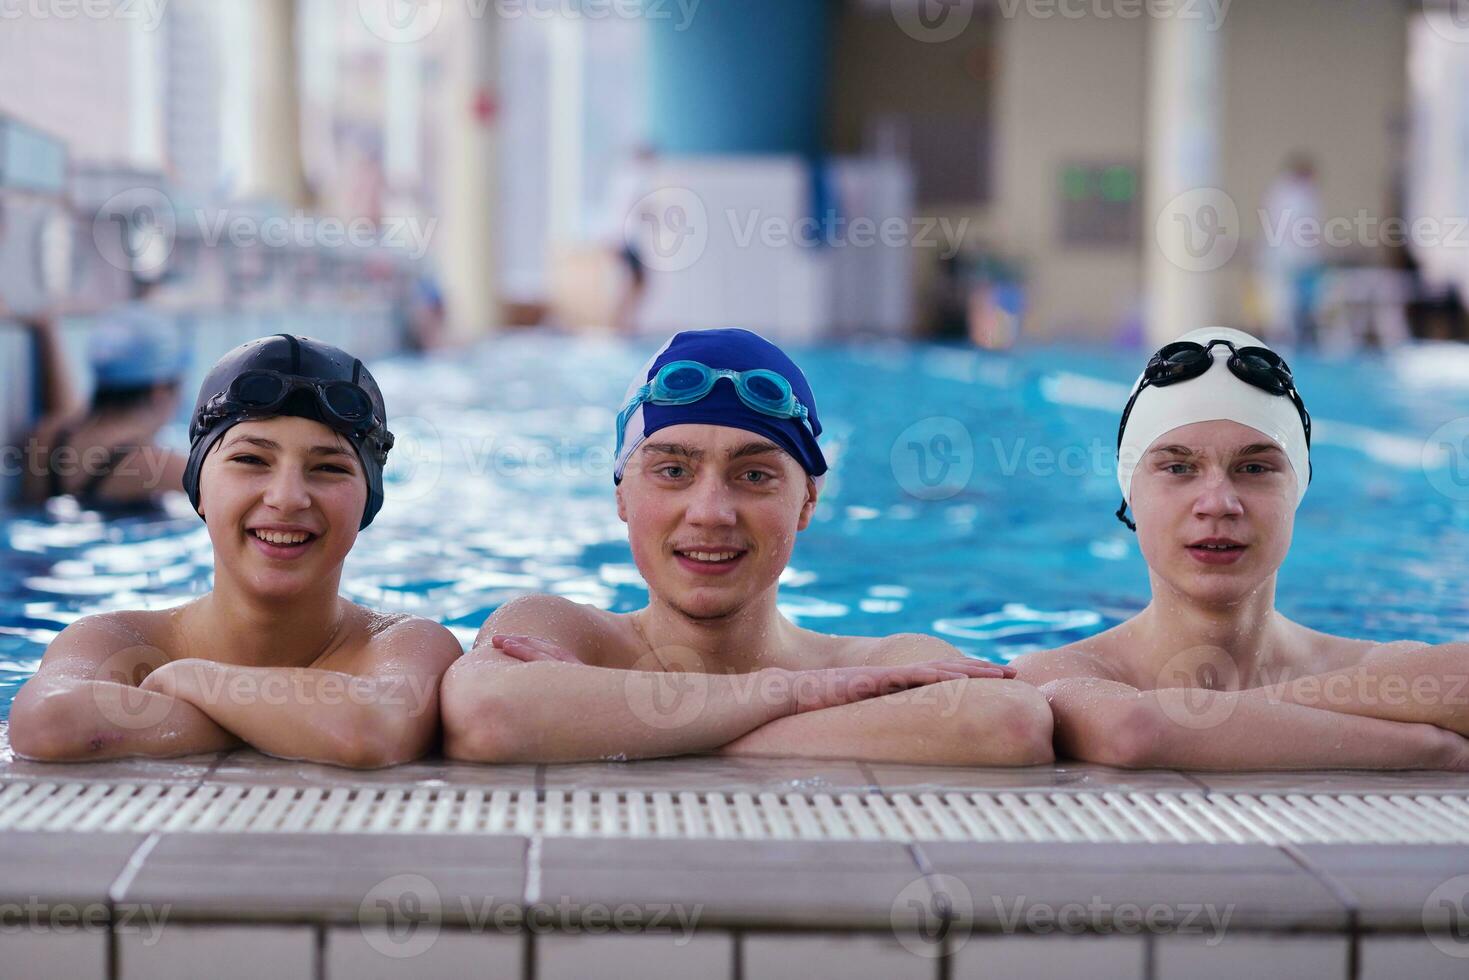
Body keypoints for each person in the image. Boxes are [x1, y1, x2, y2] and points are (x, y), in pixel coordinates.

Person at [441, 328, 1054, 765]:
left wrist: (631, 724)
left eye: (755, 475)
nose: (711, 512)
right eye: (673, 471)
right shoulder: (556, 628)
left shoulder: (870, 660)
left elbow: (1009, 722)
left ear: (808, 503)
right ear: (622, 494)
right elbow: (487, 715)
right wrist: (789, 694)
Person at [1014, 327, 1469, 770]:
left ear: (1299, 488)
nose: (1218, 504)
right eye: (1177, 468)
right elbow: (1133, 729)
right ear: (1130, 492)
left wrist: (1228, 716)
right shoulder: (1053, 676)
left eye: (1254, 467)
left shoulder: (1374, 664)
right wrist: (1430, 750)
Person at [8, 335, 462, 768]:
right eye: (251, 460)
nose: (287, 498)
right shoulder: (121, 640)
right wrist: (295, 723)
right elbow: (48, 723)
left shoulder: (403, 643)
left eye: (328, 467)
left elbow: (370, 732)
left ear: (369, 501)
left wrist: (190, 680)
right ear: (198, 489)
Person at [18, 305, 190, 509]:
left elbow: (68, 411)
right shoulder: (163, 468)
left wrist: (47, 331)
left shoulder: (45, 437)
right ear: (159, 392)